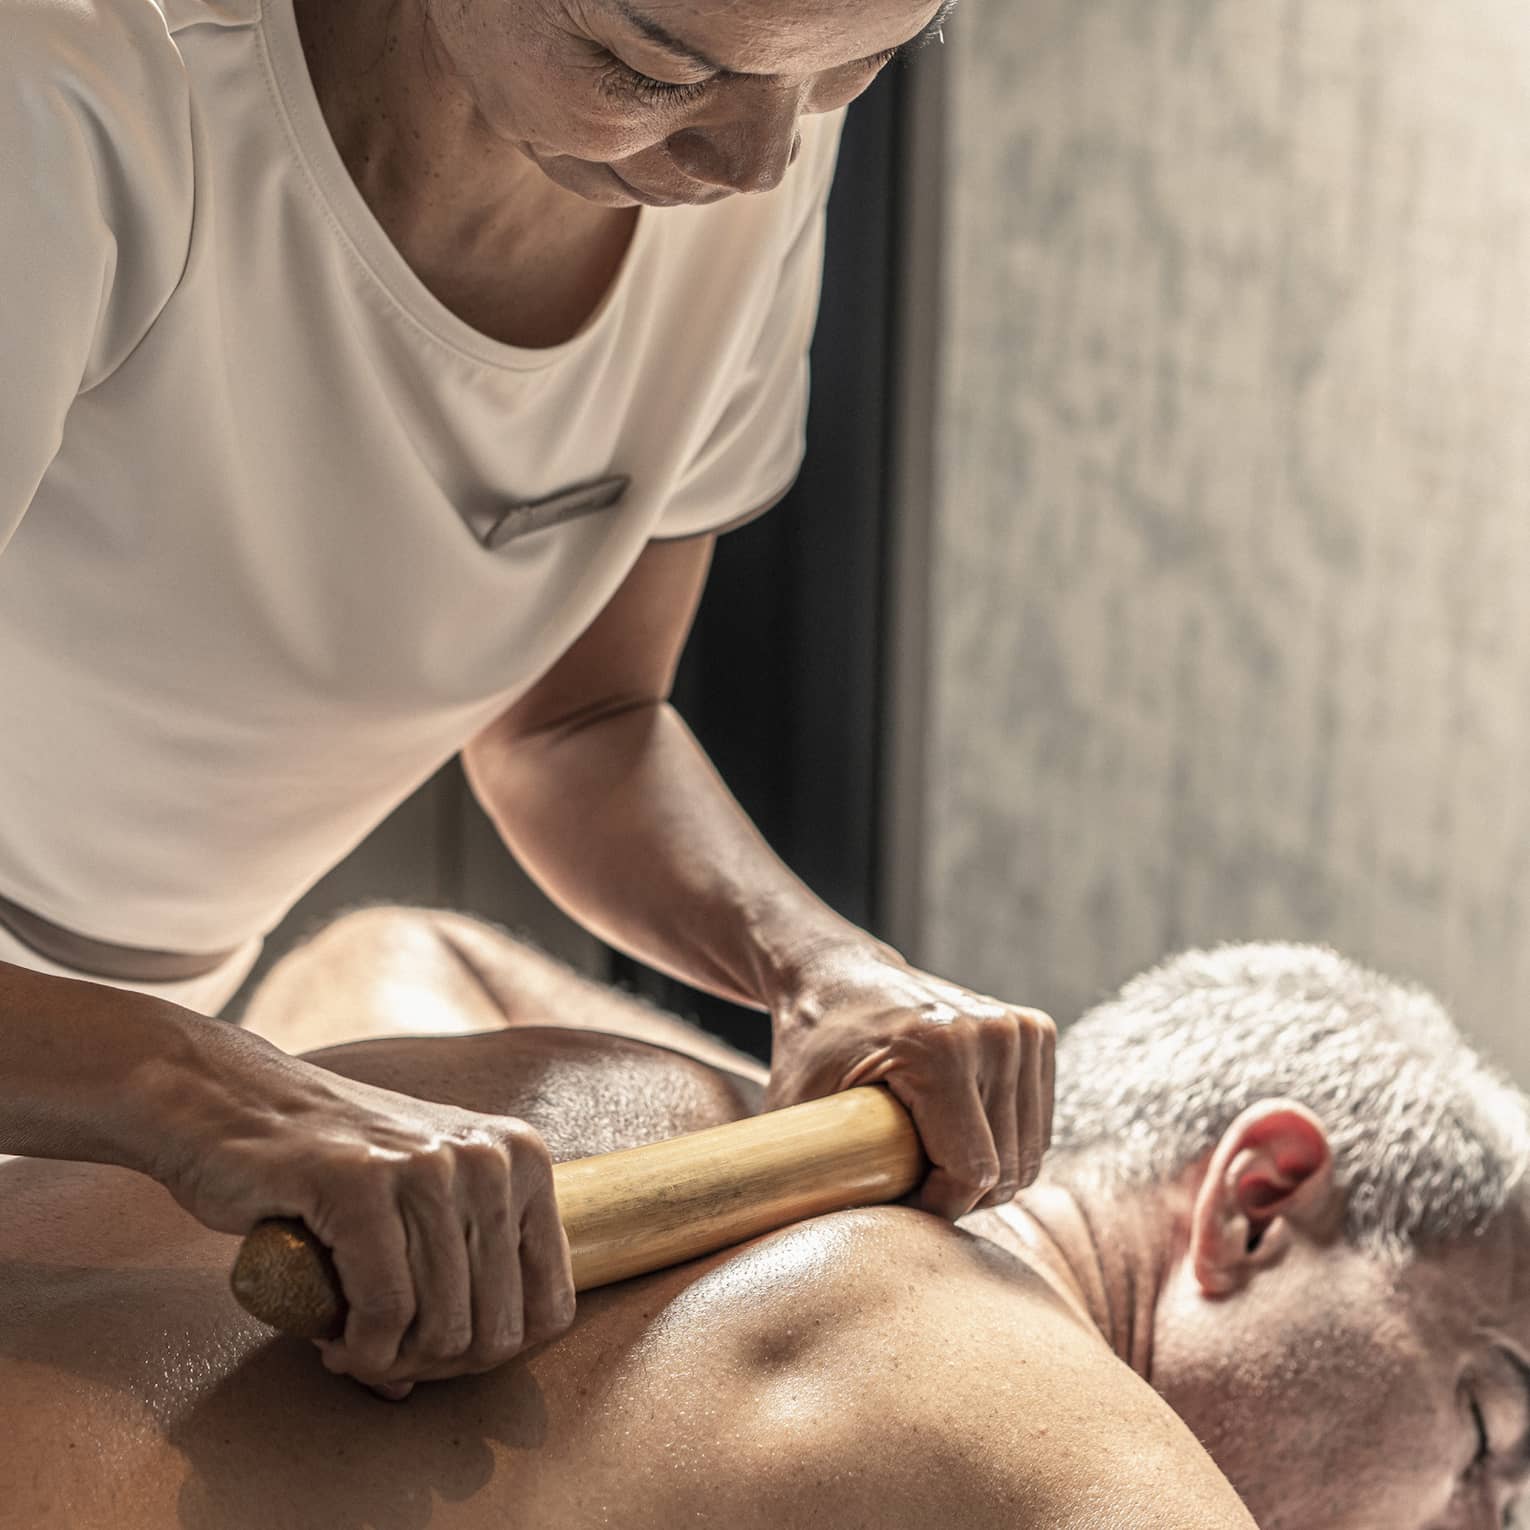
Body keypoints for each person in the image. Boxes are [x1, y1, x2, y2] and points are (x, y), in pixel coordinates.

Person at [0, 0, 1056, 1400]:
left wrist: (819, 965)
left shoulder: (761, 109)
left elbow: (575, 726)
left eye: (857, 65)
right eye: (651, 64)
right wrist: (203, 1088)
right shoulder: (75, 86)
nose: (754, 159)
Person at [1, 925, 1523, 1530]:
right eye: (1486, 1425)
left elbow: (390, 946)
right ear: (1256, 1205)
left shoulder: (609, 1106)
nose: (1476, 1526)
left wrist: (744, 1109)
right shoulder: (1062, 1444)